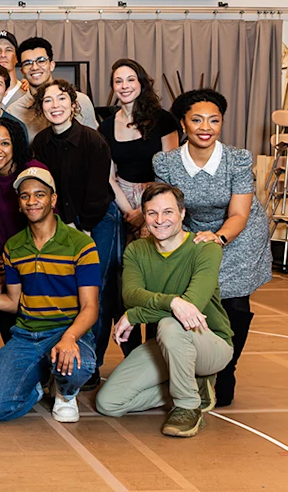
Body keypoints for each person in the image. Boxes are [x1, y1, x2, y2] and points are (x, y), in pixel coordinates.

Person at [152, 89, 271, 407]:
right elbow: (169, 210)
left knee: (234, 304)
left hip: (238, 235)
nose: (206, 127)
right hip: (191, 234)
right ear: (183, 123)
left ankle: (227, 369)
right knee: (195, 300)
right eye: (197, 119)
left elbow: (239, 214)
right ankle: (197, 370)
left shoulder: (238, 160)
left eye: (214, 120)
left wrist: (218, 238)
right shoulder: (166, 162)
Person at [96, 183, 233, 437]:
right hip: (167, 344)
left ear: (182, 213)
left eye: (168, 212)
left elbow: (192, 307)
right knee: (109, 403)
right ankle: (193, 386)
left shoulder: (205, 248)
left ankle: (188, 406)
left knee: (171, 325)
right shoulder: (136, 250)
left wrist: (136, 315)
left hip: (210, 342)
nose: (160, 220)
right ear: (144, 216)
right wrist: (171, 302)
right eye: (152, 213)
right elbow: (131, 294)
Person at [0, 167, 98, 423]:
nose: (32, 201)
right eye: (25, 196)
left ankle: (64, 393)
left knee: (80, 365)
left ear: (53, 199)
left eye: (40, 194)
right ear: (19, 204)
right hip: (27, 336)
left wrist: (70, 337)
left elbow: (91, 307)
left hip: (66, 331)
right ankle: (36, 386)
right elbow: (12, 302)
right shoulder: (14, 247)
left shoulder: (81, 244)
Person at [29, 79, 120, 389]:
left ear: (73, 104)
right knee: (63, 287)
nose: (55, 105)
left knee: (97, 289)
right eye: (48, 101)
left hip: (96, 221)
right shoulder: (41, 142)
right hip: (60, 221)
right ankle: (63, 355)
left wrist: (79, 230)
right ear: (41, 108)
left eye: (61, 99)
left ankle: (91, 361)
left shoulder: (94, 142)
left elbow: (97, 193)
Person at [0, 118, 49, 347]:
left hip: (32, 257)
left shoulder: (34, 173)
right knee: (5, 315)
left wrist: (8, 266)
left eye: (4, 143)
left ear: (16, 144)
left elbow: (40, 227)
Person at [100, 58, 180, 240]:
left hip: (158, 196)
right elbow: (109, 177)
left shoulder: (163, 120)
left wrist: (144, 212)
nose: (124, 86)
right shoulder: (106, 126)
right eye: (118, 81)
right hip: (121, 198)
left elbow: (171, 172)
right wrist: (129, 212)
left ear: (141, 83)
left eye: (130, 79)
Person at [6, 37, 99, 139]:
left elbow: (94, 143)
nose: (35, 67)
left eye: (41, 61)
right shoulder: (14, 112)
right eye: (28, 63)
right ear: (22, 71)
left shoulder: (80, 101)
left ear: (51, 65)